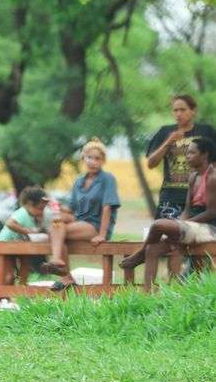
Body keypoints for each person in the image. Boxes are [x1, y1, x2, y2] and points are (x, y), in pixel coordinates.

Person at [120, 138, 216, 292]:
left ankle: (140, 255)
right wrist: (180, 224)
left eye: (192, 152)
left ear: (204, 155)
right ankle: (147, 292)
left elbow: (212, 212)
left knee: (158, 224)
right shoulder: (193, 177)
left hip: (209, 228)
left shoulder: (212, 177)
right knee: (153, 248)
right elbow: (186, 209)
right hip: (192, 225)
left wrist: (184, 224)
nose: (187, 156)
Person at [42, 138, 121, 290]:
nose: (92, 161)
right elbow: (71, 209)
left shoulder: (107, 179)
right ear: (84, 158)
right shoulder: (79, 181)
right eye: (89, 157)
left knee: (56, 230)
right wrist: (53, 203)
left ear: (103, 160)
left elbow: (107, 207)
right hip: (79, 222)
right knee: (56, 224)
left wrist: (102, 235)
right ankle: (66, 275)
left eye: (97, 158)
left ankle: (60, 267)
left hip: (96, 225)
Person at [146, 95, 216, 220]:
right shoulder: (164, 132)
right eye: (175, 110)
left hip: (200, 198)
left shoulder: (206, 131)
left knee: (199, 237)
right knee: (164, 233)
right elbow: (151, 164)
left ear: (193, 111)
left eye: (182, 110)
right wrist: (168, 142)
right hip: (171, 197)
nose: (178, 114)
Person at [0, 186, 52, 284]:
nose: (41, 212)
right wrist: (27, 231)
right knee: (9, 275)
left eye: (43, 209)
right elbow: (10, 223)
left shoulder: (34, 216)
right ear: (29, 204)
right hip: (6, 244)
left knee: (25, 269)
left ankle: (22, 289)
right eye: (39, 209)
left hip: (21, 246)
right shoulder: (22, 212)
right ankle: (4, 295)